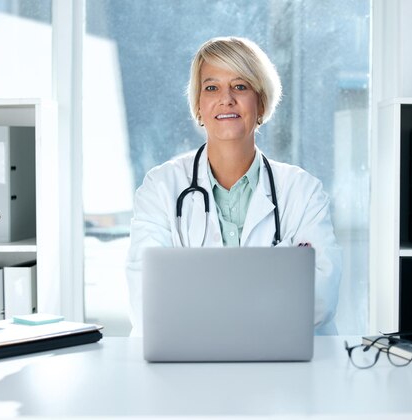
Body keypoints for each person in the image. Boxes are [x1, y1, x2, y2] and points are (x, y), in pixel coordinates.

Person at [126, 36, 341, 337]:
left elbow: (321, 298)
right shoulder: (160, 187)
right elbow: (146, 297)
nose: (226, 98)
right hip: (188, 362)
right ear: (198, 106)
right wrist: (269, 295)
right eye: (211, 87)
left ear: (261, 102)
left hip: (283, 365)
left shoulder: (303, 191)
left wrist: (205, 305)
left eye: (240, 86)